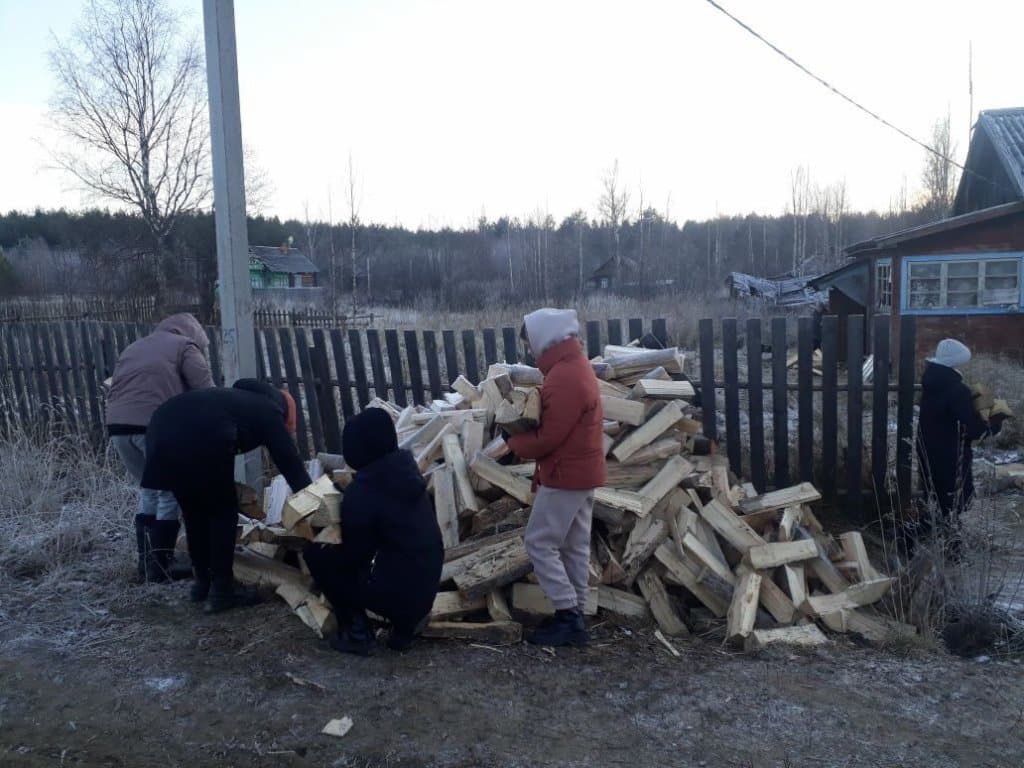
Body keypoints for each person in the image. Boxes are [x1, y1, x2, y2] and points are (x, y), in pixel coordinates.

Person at [142, 379, 312, 613]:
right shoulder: (269, 409)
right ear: (285, 410)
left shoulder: (234, 401)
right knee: (222, 511)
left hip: (161, 428)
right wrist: (315, 501)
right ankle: (222, 590)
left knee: (194, 512)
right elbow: (291, 465)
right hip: (196, 434)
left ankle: (202, 583)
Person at [303, 408, 443, 655]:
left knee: (317, 555)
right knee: (398, 560)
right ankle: (404, 628)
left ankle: (357, 633)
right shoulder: (406, 472)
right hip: (426, 589)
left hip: (398, 594)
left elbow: (354, 558)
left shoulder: (364, 492)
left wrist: (326, 537)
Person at [506, 308, 605, 647]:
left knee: (539, 541)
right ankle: (574, 613)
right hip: (581, 472)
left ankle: (567, 615)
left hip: (567, 474)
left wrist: (512, 441)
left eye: (530, 344)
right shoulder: (574, 366)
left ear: (544, 340)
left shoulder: (565, 376)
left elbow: (549, 437)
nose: (529, 352)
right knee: (574, 546)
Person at [105, 312, 214, 583]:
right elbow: (208, 393)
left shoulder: (136, 346)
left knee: (148, 489)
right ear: (194, 334)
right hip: (153, 425)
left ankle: (146, 563)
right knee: (168, 493)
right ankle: (162, 564)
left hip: (117, 425)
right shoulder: (185, 347)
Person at [915, 339, 1004, 549]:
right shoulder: (956, 390)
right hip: (951, 455)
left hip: (929, 450)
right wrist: (996, 418)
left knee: (937, 501)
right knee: (952, 504)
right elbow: (974, 429)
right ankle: (939, 547)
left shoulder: (932, 383)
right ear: (955, 363)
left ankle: (944, 548)